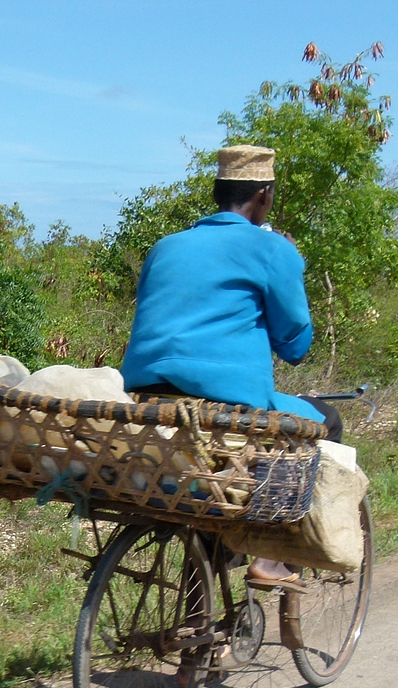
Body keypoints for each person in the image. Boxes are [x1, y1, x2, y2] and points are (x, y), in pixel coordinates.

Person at [120, 143, 341, 585]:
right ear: (263, 195)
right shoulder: (272, 250)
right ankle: (273, 558)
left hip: (146, 398)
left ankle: (198, 613)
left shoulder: (166, 247)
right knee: (326, 422)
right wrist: (288, 261)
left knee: (207, 482)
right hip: (228, 404)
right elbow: (296, 346)